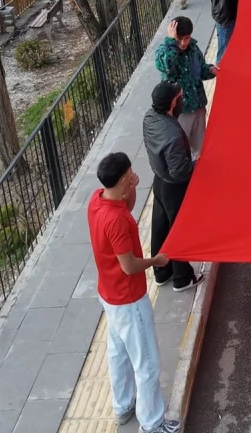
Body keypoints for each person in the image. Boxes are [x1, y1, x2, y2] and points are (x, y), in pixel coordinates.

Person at [87, 152, 181, 433]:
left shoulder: (97, 201)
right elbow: (129, 266)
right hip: (129, 298)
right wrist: (156, 260)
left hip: (109, 294)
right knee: (147, 362)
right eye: (129, 174)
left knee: (118, 353)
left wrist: (131, 191)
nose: (132, 175)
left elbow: (124, 209)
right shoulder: (115, 221)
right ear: (123, 178)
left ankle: (123, 405)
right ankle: (152, 424)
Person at [142, 82, 205, 298]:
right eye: (179, 96)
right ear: (172, 103)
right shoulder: (173, 135)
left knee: (159, 227)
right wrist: (198, 164)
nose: (182, 99)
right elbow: (180, 172)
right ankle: (182, 277)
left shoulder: (149, 118)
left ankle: (161, 272)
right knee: (178, 229)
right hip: (175, 187)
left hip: (159, 182)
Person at [154, 16, 217, 159]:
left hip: (198, 106)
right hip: (180, 112)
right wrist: (171, 41)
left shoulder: (194, 49)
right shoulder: (164, 52)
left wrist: (210, 70)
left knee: (202, 151)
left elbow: (200, 70)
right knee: (181, 151)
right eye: (179, 39)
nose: (183, 43)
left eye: (187, 38)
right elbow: (167, 65)